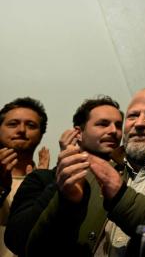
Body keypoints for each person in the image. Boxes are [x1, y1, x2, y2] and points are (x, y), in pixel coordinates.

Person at [25, 88, 145, 256]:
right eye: (132, 116)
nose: (139, 123)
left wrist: (120, 195)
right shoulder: (91, 174)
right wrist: (66, 203)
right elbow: (35, 250)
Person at [5, 96, 123, 256]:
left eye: (118, 125)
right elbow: (16, 240)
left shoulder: (129, 178)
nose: (113, 131)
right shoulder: (42, 178)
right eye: (103, 124)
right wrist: (62, 180)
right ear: (78, 133)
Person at [0, 97, 49, 257]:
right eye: (13, 124)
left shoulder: (50, 181)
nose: (21, 130)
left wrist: (43, 190)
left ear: (41, 134)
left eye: (31, 125)